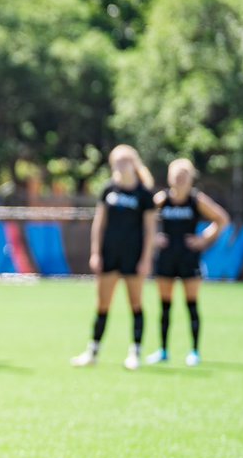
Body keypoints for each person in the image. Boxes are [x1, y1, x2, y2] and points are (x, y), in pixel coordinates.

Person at [70, 145, 157, 370]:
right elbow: (99, 223)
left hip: (133, 255)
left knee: (135, 303)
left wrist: (146, 258)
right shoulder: (108, 189)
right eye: (116, 162)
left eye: (124, 161)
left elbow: (150, 230)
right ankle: (92, 351)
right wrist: (96, 252)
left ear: (133, 163)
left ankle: (135, 352)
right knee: (102, 303)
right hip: (110, 254)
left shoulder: (144, 194)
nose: (120, 166)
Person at [146, 159, 229, 366]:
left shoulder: (196, 200)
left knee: (191, 305)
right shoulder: (162, 199)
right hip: (166, 258)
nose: (179, 179)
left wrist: (203, 239)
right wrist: (153, 238)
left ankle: (194, 351)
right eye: (176, 175)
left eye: (184, 175)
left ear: (191, 178)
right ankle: (163, 350)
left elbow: (222, 219)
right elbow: (141, 218)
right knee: (165, 306)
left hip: (188, 258)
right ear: (169, 177)